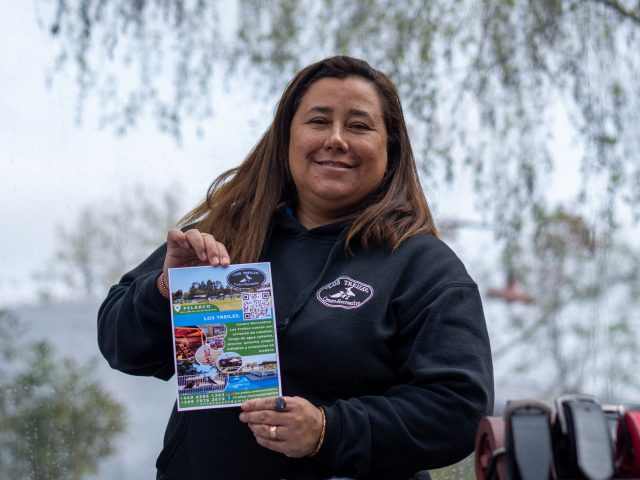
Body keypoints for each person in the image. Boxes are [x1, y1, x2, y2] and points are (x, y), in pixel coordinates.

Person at [98, 55, 494, 480]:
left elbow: (459, 409)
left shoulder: (423, 266)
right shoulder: (223, 237)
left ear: (390, 148)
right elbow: (123, 348)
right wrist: (165, 289)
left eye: (359, 126)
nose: (336, 139)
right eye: (318, 121)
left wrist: (329, 431)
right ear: (286, 138)